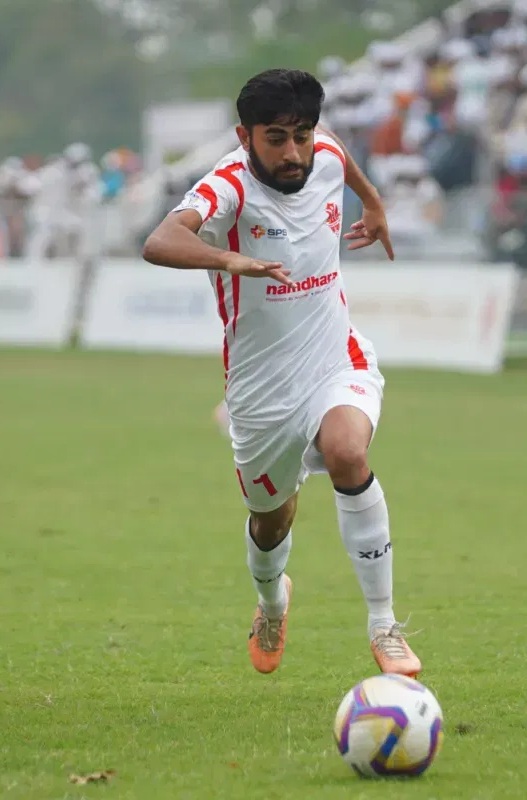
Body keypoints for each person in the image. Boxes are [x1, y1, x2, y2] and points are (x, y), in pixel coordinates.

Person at [142, 69, 422, 677]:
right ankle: (272, 603)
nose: (293, 152)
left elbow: (342, 160)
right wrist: (228, 258)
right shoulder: (227, 187)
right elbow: (159, 242)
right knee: (272, 522)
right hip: (262, 388)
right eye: (275, 138)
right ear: (245, 136)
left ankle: (385, 624)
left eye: (301, 134)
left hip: (334, 355)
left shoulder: (323, 151)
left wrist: (374, 206)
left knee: (349, 453)